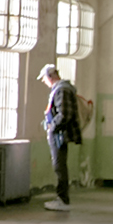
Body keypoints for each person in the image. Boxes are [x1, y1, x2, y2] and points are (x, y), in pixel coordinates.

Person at [38, 63, 82, 211]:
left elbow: (64, 114)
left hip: (59, 134)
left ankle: (63, 199)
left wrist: (52, 127)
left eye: (44, 78)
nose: (43, 82)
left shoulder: (61, 90)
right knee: (59, 166)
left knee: (59, 166)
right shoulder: (60, 89)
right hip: (59, 133)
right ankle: (62, 198)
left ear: (50, 77)